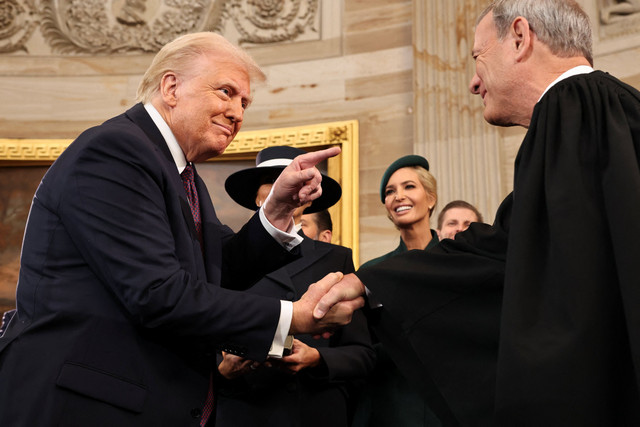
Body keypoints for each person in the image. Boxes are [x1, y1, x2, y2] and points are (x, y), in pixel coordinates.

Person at [0, 32, 363, 427]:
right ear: (171, 87)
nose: (238, 113)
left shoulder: (181, 173)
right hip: (86, 406)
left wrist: (276, 210)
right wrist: (294, 316)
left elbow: (219, 269)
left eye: (244, 103)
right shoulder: (115, 151)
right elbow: (158, 293)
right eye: (226, 92)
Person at [314, 0, 640, 425]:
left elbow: (521, 259)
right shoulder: (615, 107)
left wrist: (368, 284)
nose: (472, 82)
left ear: (520, 38)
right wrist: (370, 283)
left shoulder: (572, 104)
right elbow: (520, 246)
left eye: (477, 58)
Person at [216, 146, 375, 427]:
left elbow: (362, 355)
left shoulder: (336, 259)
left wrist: (316, 358)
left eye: (291, 179)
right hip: (246, 411)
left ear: (308, 196)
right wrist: (224, 369)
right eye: (274, 181)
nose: (284, 187)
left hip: (313, 411)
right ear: (256, 197)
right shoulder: (226, 257)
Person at [351, 154, 441, 427]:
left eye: (409, 187)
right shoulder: (373, 273)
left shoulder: (458, 263)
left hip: (452, 404)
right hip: (392, 405)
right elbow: (361, 345)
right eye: (390, 192)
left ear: (431, 198)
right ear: (388, 208)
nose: (398, 196)